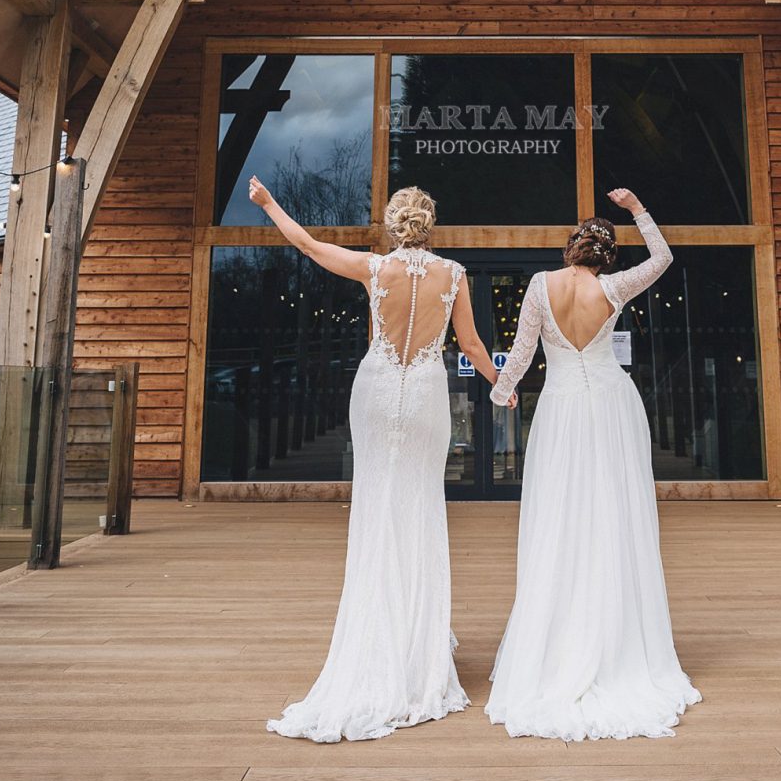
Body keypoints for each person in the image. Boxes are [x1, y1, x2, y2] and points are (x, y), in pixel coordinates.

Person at [249, 178, 510, 742]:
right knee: (419, 511)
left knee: (376, 510)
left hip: (376, 389)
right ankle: (417, 657)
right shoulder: (455, 276)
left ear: (395, 226)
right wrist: (502, 384)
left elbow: (312, 247)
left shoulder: (375, 269)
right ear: (429, 225)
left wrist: (270, 204)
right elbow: (470, 346)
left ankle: (376, 642)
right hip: (423, 396)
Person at [486, 187, 702, 741]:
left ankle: (561, 638)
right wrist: (638, 211)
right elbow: (663, 259)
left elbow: (522, 350)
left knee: (559, 516)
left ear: (570, 251)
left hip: (560, 409)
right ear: (604, 257)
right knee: (613, 514)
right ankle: (616, 639)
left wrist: (502, 391)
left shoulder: (540, 286)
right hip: (610, 405)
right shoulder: (614, 286)